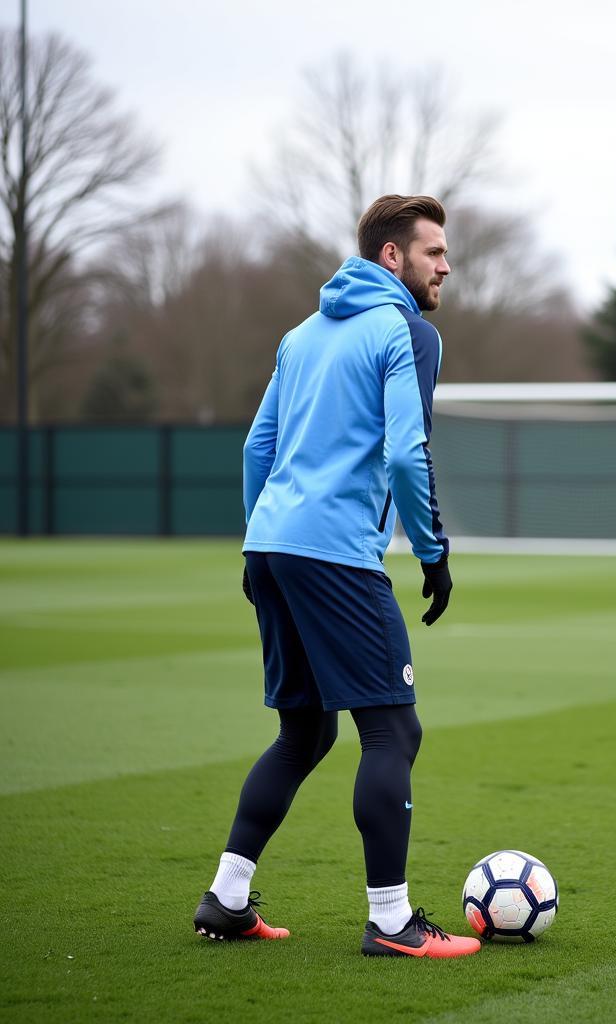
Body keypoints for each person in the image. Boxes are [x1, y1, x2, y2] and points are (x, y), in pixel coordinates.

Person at [192, 194, 480, 959]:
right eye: (434, 252)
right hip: (334, 554)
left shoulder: (301, 334)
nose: (446, 265)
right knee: (392, 728)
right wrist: (432, 549)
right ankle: (392, 923)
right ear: (394, 257)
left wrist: (266, 537)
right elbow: (402, 452)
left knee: (306, 729)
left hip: (272, 546)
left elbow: (258, 447)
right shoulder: (408, 332)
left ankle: (225, 899)